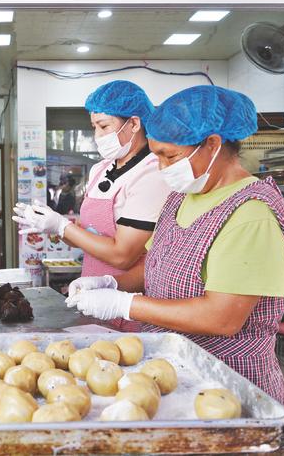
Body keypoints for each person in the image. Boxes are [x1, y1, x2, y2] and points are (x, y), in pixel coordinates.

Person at [66, 85, 284, 406]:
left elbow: (222, 317)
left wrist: (123, 305)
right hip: (174, 371)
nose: (161, 168)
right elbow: (158, 261)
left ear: (212, 145)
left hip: (228, 383)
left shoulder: (251, 213)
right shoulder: (181, 198)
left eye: (169, 156)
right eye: (157, 155)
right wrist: (110, 283)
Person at [14, 80, 171, 331]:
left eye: (104, 126)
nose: (97, 136)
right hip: (92, 295)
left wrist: (64, 227)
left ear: (134, 123)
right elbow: (86, 235)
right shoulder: (101, 169)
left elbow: (123, 255)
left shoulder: (152, 173)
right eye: (93, 127)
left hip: (127, 299)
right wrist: (52, 226)